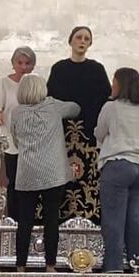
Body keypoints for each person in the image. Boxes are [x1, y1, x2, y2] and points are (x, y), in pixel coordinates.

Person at [11, 74, 80, 272]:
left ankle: (20, 266)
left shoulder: (16, 113)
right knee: (51, 220)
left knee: (24, 221)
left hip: (26, 173)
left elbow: (15, 141)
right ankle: (50, 265)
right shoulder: (53, 107)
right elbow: (76, 108)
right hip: (53, 172)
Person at [95, 67, 139, 272]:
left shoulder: (111, 107)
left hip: (117, 164)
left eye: (114, 83)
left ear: (120, 85)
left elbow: (99, 131)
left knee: (114, 220)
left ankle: (114, 268)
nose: (112, 86)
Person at [47, 25, 112, 223]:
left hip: (90, 135)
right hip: (63, 135)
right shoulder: (59, 69)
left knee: (89, 178)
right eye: (79, 37)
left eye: (86, 38)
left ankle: (90, 221)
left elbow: (105, 100)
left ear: (90, 43)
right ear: (71, 41)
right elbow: (51, 100)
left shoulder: (97, 69)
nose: (82, 41)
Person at [0, 46, 37, 221]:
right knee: (14, 182)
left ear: (33, 66)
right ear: (13, 64)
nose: (23, 67)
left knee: (30, 183)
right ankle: (14, 220)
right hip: (10, 141)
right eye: (20, 63)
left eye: (28, 63)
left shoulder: (36, 84)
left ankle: (29, 219)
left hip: (31, 142)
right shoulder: (4, 83)